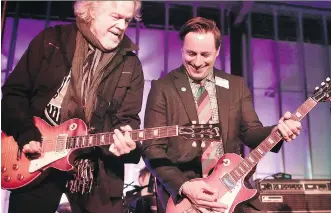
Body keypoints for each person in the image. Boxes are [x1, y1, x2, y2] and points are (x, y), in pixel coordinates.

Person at [142, 17, 302, 213]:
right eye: (191, 53)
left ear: (217, 51)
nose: (198, 62)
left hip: (230, 189)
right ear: (182, 49)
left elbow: (251, 133)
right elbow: (152, 149)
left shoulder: (236, 86)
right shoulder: (163, 88)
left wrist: (278, 131)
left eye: (205, 54)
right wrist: (184, 186)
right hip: (183, 198)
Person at [1, 1, 144, 213]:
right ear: (91, 12)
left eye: (127, 20)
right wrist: (26, 133)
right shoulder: (51, 41)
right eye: (116, 17)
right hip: (38, 159)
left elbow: (127, 120)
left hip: (96, 169)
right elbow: (14, 94)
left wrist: (124, 144)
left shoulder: (131, 64)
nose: (122, 26)